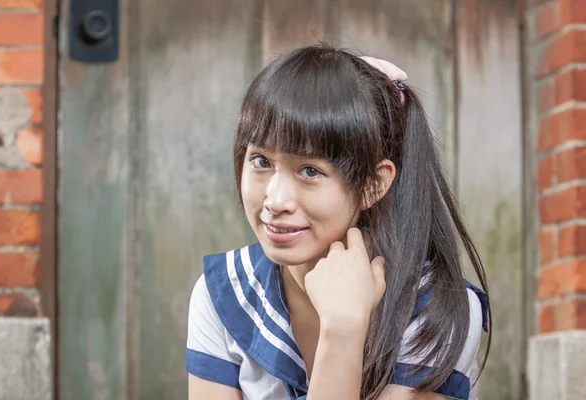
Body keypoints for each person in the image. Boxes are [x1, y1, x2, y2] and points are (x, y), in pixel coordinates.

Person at [185, 44, 491, 400]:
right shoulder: (225, 292)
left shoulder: (436, 310)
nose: (275, 200)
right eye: (260, 161)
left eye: (310, 170)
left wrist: (343, 329)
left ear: (374, 184)